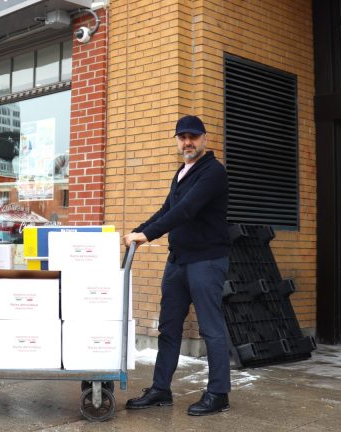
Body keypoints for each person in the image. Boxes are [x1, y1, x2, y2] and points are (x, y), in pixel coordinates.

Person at [123, 115, 231, 416]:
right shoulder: (182, 173)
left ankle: (219, 393)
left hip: (207, 261)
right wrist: (138, 231)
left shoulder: (213, 172)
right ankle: (160, 390)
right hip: (178, 262)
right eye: (182, 137)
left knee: (212, 329)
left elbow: (186, 210)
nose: (187, 142)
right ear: (177, 140)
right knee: (168, 328)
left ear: (204, 139)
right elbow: (167, 209)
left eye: (193, 137)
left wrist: (147, 234)